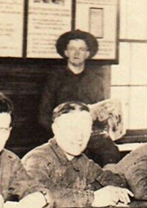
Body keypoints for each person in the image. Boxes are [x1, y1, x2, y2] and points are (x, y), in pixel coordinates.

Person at [38, 29, 121, 166]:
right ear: (66, 52)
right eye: (72, 48)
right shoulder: (55, 79)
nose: (76, 53)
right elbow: (43, 116)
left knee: (110, 151)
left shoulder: (95, 81)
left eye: (81, 49)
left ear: (87, 54)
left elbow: (100, 113)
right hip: (62, 135)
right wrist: (61, 132)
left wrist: (103, 116)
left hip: (90, 135)